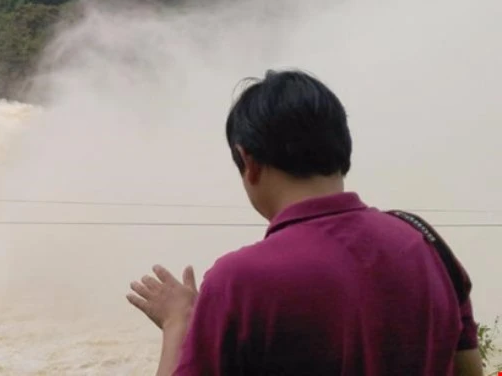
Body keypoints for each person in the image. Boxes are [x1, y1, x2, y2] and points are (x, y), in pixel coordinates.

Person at [126, 69, 482, 375]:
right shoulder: (425, 243)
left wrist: (180, 324)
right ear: (343, 149)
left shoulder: (238, 282)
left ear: (245, 160)